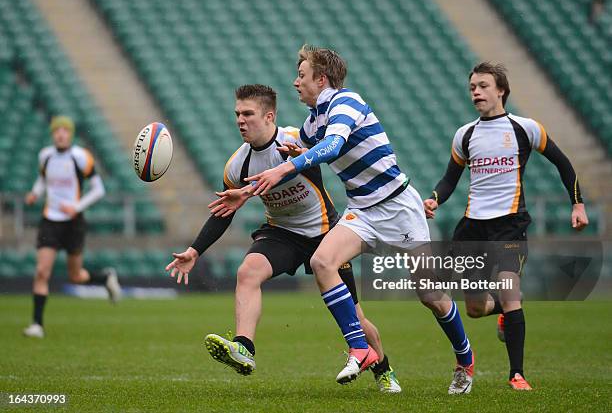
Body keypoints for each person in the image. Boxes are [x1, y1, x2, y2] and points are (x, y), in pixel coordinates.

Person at [230, 46, 475, 394]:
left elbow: (330, 146)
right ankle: (360, 348)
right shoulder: (314, 118)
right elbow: (297, 148)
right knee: (323, 261)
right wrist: (246, 191)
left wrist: (291, 162)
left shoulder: (346, 102)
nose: (295, 82)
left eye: (302, 75)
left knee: (430, 294)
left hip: (398, 206)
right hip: (361, 210)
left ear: (322, 79)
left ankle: (465, 359)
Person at [165, 84, 401, 393]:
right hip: (282, 233)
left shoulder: (294, 141)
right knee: (247, 272)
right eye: (237, 114)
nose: (240, 120)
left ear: (269, 116)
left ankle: (384, 370)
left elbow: (313, 171)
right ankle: (244, 347)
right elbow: (225, 210)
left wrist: (301, 159)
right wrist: (195, 251)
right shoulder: (238, 164)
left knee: (355, 316)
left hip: (324, 232)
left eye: (248, 114)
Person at [423, 62, 589, 390]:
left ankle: (517, 374)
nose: (476, 92)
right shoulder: (465, 134)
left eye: (483, 86)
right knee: (473, 308)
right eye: (472, 87)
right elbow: (449, 179)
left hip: (510, 226)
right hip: (472, 228)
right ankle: (501, 308)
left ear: (501, 90)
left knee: (509, 289)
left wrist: (578, 203)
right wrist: (434, 199)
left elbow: (563, 163)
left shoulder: (525, 128)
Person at [23, 116, 121, 339]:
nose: (60, 134)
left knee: (75, 276)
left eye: (65, 130)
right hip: (50, 220)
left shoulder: (80, 157)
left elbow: (99, 190)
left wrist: (76, 207)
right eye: (56, 130)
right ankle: (37, 325)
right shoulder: (45, 155)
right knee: (41, 272)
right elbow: (42, 180)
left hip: (73, 222)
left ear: (71, 133)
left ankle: (105, 278)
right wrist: (34, 193)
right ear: (52, 134)